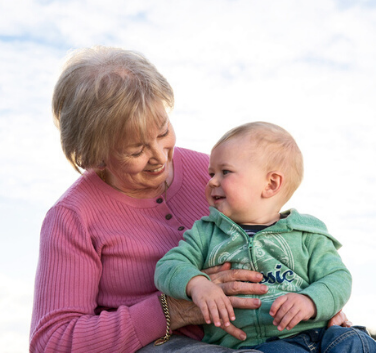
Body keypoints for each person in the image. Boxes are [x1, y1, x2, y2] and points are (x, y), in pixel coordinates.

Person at [30, 46, 351, 353]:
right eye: (136, 150)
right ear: (94, 156)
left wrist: (316, 302)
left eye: (161, 131)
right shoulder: (72, 217)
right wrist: (172, 309)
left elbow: (285, 245)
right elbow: (52, 343)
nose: (159, 157)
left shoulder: (215, 174)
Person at [155, 122, 376, 352]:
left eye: (225, 172)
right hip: (262, 344)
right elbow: (168, 266)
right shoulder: (206, 232)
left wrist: (311, 300)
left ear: (271, 184)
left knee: (357, 341)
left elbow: (337, 277)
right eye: (212, 173)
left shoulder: (306, 233)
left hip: (322, 333)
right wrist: (197, 284)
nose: (211, 181)